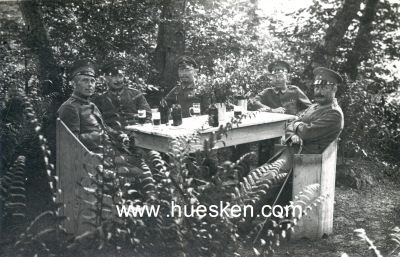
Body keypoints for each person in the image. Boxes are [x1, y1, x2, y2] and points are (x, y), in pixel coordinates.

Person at [285, 67, 344, 154]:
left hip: (306, 158)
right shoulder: (314, 106)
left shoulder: (334, 113)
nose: (319, 92)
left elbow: (306, 133)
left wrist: (296, 124)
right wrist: (292, 135)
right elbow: (291, 122)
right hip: (294, 151)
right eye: (317, 87)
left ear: (334, 89)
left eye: (324, 88)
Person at [58, 59, 108, 152]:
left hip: (103, 154)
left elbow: (104, 129)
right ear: (74, 84)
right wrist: (99, 136)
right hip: (86, 160)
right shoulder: (69, 107)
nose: (90, 85)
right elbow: (72, 142)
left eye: (92, 81)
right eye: (85, 80)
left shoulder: (92, 105)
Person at [94, 60, 152, 130]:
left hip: (137, 133)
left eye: (120, 76)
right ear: (106, 78)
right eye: (114, 76)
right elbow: (99, 123)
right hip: (113, 137)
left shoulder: (136, 94)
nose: (118, 80)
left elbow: (148, 116)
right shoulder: (100, 100)